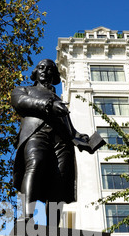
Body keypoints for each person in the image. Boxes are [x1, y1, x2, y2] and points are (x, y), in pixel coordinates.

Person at [11, 59, 104, 226]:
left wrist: (80, 138)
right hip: (36, 133)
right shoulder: (23, 89)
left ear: (54, 75)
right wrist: (48, 105)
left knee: (59, 180)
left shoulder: (58, 99)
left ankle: (53, 227)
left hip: (62, 141)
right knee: (35, 165)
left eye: (49, 69)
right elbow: (20, 102)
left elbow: (69, 128)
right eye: (41, 67)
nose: (45, 71)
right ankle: (26, 218)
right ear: (35, 71)